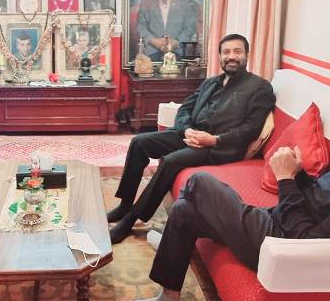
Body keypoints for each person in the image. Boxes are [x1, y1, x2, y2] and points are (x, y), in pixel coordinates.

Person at [123, 77, 330, 301]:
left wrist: (286, 179)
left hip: (283, 247)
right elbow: (320, 195)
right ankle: (169, 296)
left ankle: (174, 243)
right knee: (185, 209)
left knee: (199, 183)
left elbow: (306, 243)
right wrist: (299, 174)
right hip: (283, 222)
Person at [107, 34, 275, 243]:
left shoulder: (260, 87)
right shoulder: (211, 82)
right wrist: (186, 130)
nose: (231, 56)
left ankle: (131, 219)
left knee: (171, 161)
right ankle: (125, 205)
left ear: (247, 55)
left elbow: (251, 129)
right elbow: (185, 109)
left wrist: (214, 140)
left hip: (219, 147)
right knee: (139, 142)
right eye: (226, 52)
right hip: (190, 135)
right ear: (220, 57)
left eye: (237, 51)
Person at [136, 0, 200, 60]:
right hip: (152, 51)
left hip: (178, 51)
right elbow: (140, 26)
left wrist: (177, 42)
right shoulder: (146, 3)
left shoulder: (185, 3)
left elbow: (190, 27)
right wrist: (153, 41)